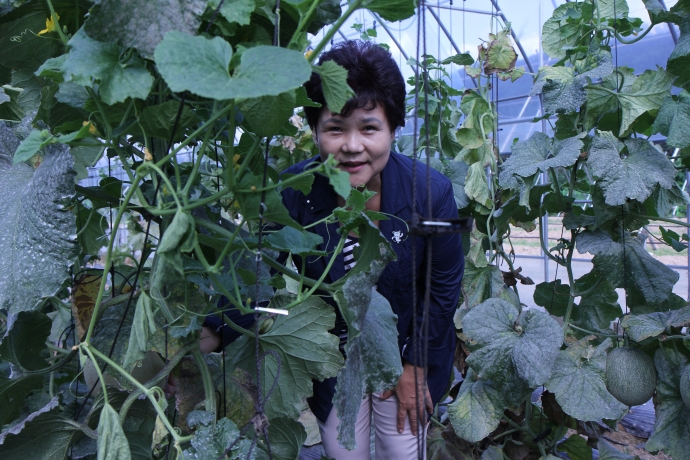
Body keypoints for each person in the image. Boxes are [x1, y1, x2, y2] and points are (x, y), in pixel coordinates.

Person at [203, 40, 464, 459]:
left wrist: (416, 365)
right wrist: (215, 327)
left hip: (405, 348)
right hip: (334, 359)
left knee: (402, 448)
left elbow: (445, 281)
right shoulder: (293, 191)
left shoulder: (435, 193)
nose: (352, 145)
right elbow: (258, 272)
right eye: (336, 128)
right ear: (315, 131)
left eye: (369, 128)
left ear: (393, 130)